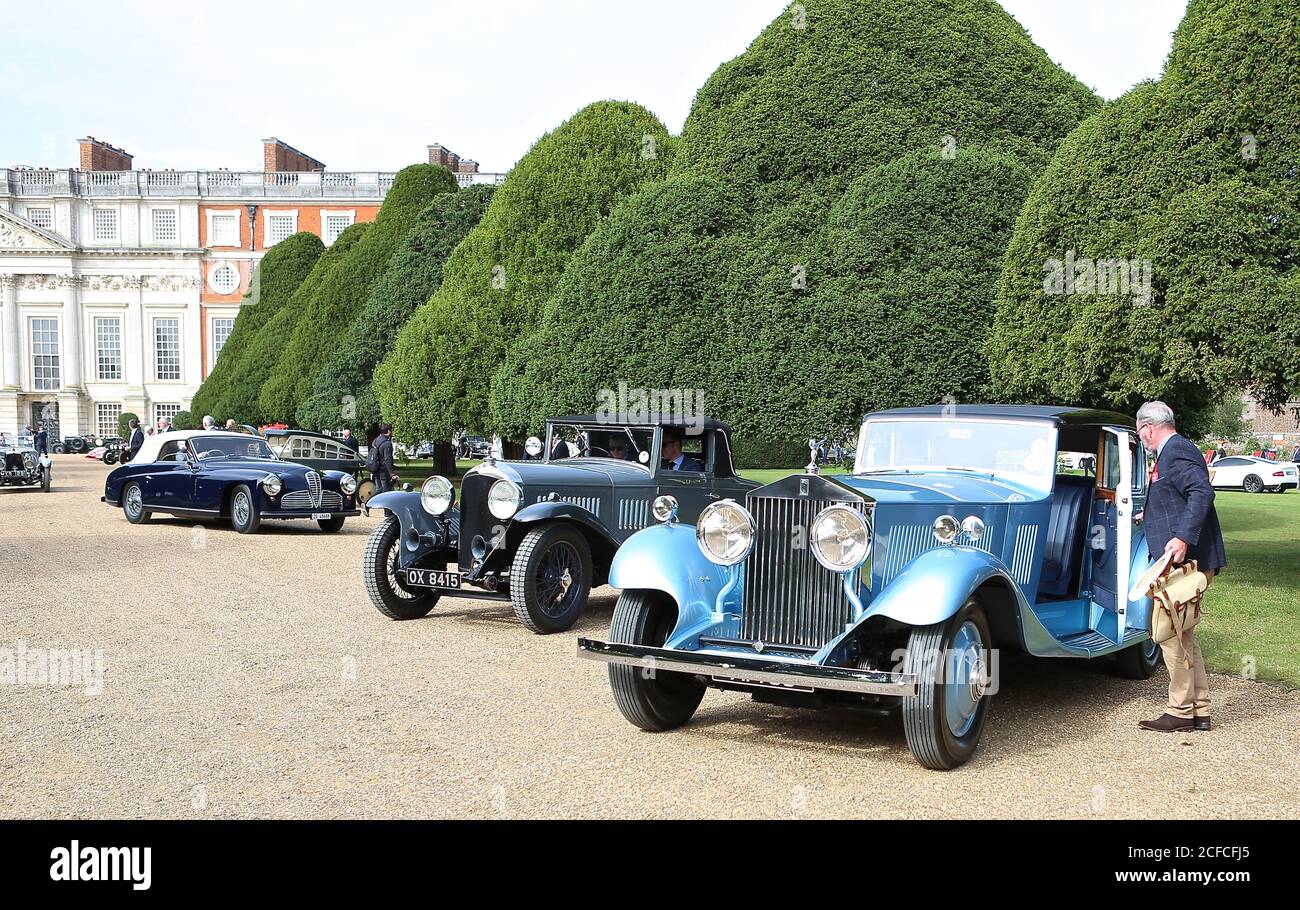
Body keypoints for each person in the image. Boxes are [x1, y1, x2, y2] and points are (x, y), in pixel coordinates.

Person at [1135, 401, 1226, 734]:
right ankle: (1198, 710)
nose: (1141, 438)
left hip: (1186, 559)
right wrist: (1152, 514)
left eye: (1140, 431)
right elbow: (1180, 495)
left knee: (1168, 632)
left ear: (1148, 427)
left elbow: (1202, 491)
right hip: (1188, 557)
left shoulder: (1174, 450)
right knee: (1183, 631)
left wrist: (1183, 538)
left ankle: (1180, 710)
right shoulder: (1176, 450)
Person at [368, 424, 397, 494]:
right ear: (389, 431)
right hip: (383, 471)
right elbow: (388, 459)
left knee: (378, 489)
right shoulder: (387, 443)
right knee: (386, 491)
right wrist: (392, 474)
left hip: (375, 468)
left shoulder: (376, 440)